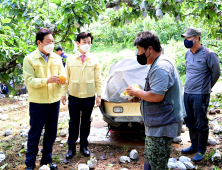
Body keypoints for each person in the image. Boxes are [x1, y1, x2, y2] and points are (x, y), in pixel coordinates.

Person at [125, 31, 186, 170]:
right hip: (158, 120)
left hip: (163, 123)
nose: (137, 54)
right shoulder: (157, 63)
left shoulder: (161, 67)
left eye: (139, 50)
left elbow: (157, 96)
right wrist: (140, 96)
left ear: (149, 49)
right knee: (152, 159)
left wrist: (137, 92)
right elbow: (155, 92)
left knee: (157, 163)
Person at [23, 28, 66, 170]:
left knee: (51, 132)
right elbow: (29, 81)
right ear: (39, 42)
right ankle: (30, 163)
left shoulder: (57, 58)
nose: (51, 44)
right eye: (48, 41)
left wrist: (62, 80)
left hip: (54, 101)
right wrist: (46, 80)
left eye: (53, 41)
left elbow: (62, 74)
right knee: (34, 133)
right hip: (38, 102)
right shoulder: (29, 59)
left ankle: (46, 160)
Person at [181, 28, 221, 161]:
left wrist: (208, 87)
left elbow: (216, 73)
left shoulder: (209, 54)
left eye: (188, 38)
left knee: (200, 122)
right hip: (187, 92)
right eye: (185, 38)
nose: (185, 41)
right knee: (189, 120)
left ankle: (201, 150)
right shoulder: (188, 53)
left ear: (196, 38)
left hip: (200, 94)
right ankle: (193, 145)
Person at [61, 32, 102, 159]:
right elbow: (65, 77)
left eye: (89, 42)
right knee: (73, 122)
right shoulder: (70, 59)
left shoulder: (94, 59)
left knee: (86, 122)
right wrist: (63, 94)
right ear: (78, 43)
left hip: (89, 96)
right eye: (84, 42)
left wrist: (99, 95)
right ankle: (71, 148)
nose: (87, 45)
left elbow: (98, 79)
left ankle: (84, 146)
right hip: (74, 95)